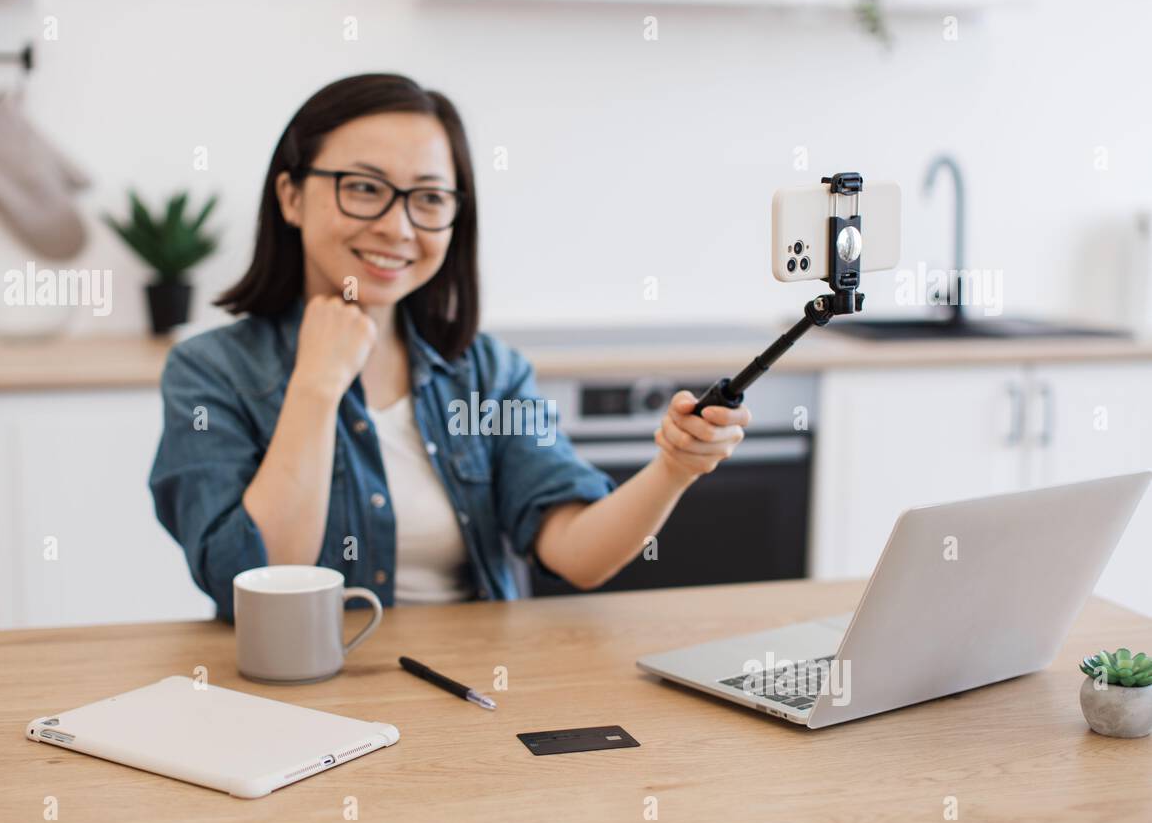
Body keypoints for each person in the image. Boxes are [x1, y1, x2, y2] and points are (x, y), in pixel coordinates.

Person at [150, 73, 750, 622]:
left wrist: (674, 468)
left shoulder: (490, 372)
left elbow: (576, 554)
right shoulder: (210, 373)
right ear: (291, 196)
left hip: (469, 693)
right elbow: (246, 584)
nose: (399, 226)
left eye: (430, 198)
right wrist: (316, 384)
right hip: (304, 695)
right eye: (364, 188)